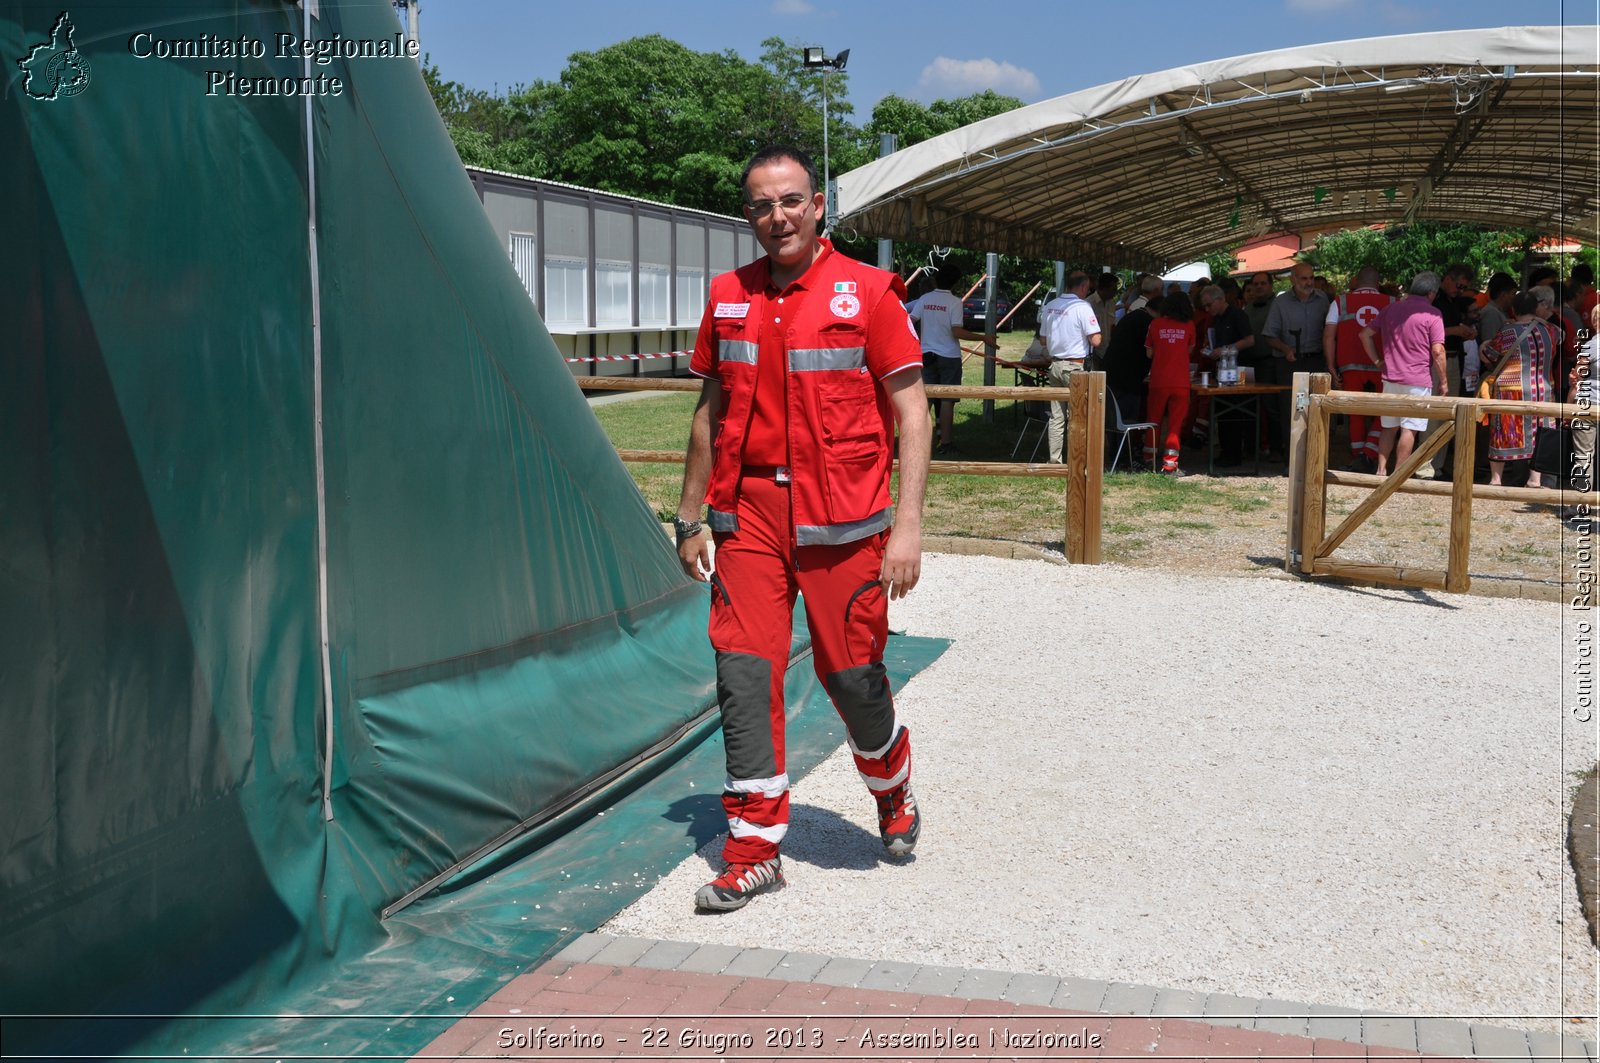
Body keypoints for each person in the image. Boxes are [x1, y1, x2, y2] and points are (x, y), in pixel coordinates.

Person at [674, 145, 930, 912]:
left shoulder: (871, 293)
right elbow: (708, 414)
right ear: (746, 214)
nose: (776, 215)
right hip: (748, 513)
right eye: (760, 204)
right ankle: (753, 848)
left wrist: (908, 528)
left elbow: (912, 413)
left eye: (790, 200)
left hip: (846, 522)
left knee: (852, 677)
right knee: (744, 673)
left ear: (817, 206)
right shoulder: (727, 296)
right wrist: (689, 515)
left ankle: (891, 785)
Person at [1359, 271, 1446, 477]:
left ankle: (1381, 470)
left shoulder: (1390, 309)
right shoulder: (1432, 314)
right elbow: (1437, 351)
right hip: (1417, 380)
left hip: (1390, 377)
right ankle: (1398, 474)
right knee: (1410, 428)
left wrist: (1378, 361)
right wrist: (1443, 381)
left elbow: (1364, 335)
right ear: (1432, 293)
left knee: (1388, 427)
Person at [1480, 288, 1558, 486]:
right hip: (1542, 388)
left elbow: (1489, 354)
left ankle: (1496, 479)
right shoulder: (1551, 331)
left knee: (1502, 432)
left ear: (1513, 310)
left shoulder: (1507, 332)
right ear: (1535, 308)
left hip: (1510, 391)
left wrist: (1484, 344)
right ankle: (1535, 479)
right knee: (1540, 432)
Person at [1322, 266, 1392, 472]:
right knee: (1386, 410)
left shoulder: (1340, 301)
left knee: (1355, 412)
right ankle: (1369, 453)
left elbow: (1328, 336)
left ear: (1355, 281)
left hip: (1349, 364)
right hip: (1383, 366)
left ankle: (1358, 457)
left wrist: (1331, 365)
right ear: (1377, 283)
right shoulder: (1392, 302)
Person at [907, 263, 983, 455]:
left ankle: (919, 443)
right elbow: (956, 330)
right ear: (955, 283)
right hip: (949, 356)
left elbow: (909, 321)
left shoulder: (924, 298)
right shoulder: (955, 302)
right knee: (947, 400)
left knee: (925, 401)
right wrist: (983, 337)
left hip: (926, 355)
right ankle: (946, 443)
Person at [1263, 263, 1331, 456]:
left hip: (1316, 362)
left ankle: (1316, 456)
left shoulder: (1322, 299)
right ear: (1293, 279)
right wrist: (1285, 349)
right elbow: (1269, 335)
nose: (1309, 282)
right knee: (1292, 410)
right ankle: (1291, 458)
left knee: (1317, 408)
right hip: (1289, 363)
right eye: (1303, 278)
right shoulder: (1281, 303)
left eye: (1311, 277)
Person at [1034, 270, 1103, 463]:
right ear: (1082, 287)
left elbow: (1042, 340)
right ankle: (1077, 459)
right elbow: (1096, 340)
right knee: (1078, 415)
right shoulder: (1083, 307)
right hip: (1075, 367)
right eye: (1088, 289)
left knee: (1056, 417)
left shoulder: (1051, 305)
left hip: (1055, 365)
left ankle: (1054, 460)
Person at [1425, 264, 1478, 479]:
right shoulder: (1433, 301)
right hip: (1438, 359)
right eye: (1458, 285)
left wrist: (1464, 331)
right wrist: (1455, 330)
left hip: (1455, 359)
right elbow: (1428, 333)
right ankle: (1425, 466)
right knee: (1432, 416)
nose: (1460, 290)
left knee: (1449, 415)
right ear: (1447, 279)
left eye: (1464, 287)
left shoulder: (1453, 302)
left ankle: (1437, 466)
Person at [1104, 277, 1162, 466]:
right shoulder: (1147, 323)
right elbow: (1149, 353)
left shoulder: (1132, 316)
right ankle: (1123, 458)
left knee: (1114, 419)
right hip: (1127, 379)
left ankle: (1117, 455)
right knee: (1127, 419)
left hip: (1113, 373)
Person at [1197, 284, 1256, 466]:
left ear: (1220, 299)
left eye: (1208, 305)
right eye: (1204, 307)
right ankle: (1226, 452)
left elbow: (1250, 340)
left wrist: (1225, 350)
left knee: (1237, 412)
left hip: (1240, 371)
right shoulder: (1217, 319)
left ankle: (1236, 453)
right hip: (1223, 371)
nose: (1207, 310)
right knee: (1223, 412)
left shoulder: (1237, 315)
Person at [1145, 290, 1198, 475]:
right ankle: (1170, 464)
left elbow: (1148, 353)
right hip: (1181, 381)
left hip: (1159, 380)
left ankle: (1149, 460)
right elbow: (1190, 350)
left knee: (1154, 421)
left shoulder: (1155, 324)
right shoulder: (1190, 325)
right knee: (1176, 424)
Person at [1086, 272, 1121, 365]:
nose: (1116, 292)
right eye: (1113, 289)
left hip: (1108, 350)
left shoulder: (1112, 303)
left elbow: (1112, 325)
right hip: (1093, 352)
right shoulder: (1088, 304)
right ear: (1104, 288)